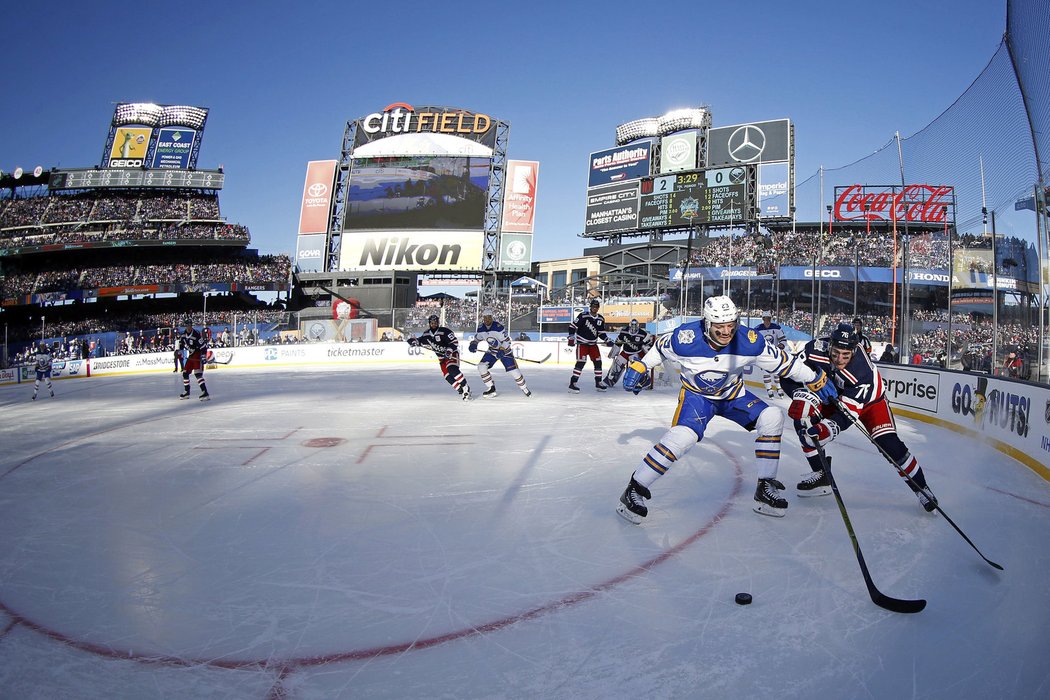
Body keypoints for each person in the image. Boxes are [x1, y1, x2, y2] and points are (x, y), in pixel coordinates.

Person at [615, 295, 838, 524]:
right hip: (697, 398)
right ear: (707, 323)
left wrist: (814, 377)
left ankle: (765, 487)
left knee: (772, 416)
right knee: (681, 438)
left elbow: (785, 363)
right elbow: (660, 348)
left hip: (733, 396)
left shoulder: (750, 341)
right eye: (719, 326)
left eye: (731, 325)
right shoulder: (685, 338)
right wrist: (641, 365)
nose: (726, 331)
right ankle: (634, 489)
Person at [781, 322, 938, 512]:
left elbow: (846, 416)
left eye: (845, 355)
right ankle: (821, 475)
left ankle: (922, 488)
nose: (839, 359)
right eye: (836, 352)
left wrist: (826, 430)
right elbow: (786, 373)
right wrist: (799, 394)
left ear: (854, 351)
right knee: (803, 421)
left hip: (871, 403)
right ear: (829, 344)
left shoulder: (861, 371)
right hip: (834, 396)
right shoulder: (814, 348)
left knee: (889, 445)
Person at [407, 314, 473, 401]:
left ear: (438, 323)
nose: (433, 324)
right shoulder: (427, 334)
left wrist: (449, 351)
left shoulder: (445, 331)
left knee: (452, 369)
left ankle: (465, 387)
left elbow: (454, 342)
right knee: (447, 376)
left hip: (451, 354)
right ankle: (460, 390)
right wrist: (413, 341)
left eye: (435, 322)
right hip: (442, 358)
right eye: (432, 323)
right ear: (429, 323)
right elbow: (420, 341)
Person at [469, 308, 531, 398]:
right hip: (492, 351)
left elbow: (507, 341)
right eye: (485, 318)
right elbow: (477, 339)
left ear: (492, 317)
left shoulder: (498, 328)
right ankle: (491, 388)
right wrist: (473, 344)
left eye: (489, 317)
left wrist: (502, 350)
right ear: (483, 318)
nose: (487, 320)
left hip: (505, 352)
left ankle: (524, 388)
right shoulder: (481, 328)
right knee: (481, 367)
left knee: (514, 372)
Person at [567, 298, 613, 393]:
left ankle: (598, 383)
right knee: (581, 363)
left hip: (593, 345)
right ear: (590, 307)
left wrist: (607, 340)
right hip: (582, 344)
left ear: (598, 308)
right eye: (593, 307)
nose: (594, 309)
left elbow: (601, 333)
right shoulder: (583, 316)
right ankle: (573, 383)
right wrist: (571, 337)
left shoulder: (600, 319)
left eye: (596, 307)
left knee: (598, 362)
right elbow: (572, 327)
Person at [603, 319, 654, 389]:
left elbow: (648, 345)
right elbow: (618, 342)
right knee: (617, 365)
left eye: (635, 326)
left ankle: (644, 382)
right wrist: (613, 353)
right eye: (632, 326)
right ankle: (609, 381)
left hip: (635, 353)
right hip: (625, 352)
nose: (633, 328)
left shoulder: (642, 333)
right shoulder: (624, 331)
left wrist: (644, 346)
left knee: (636, 369)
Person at [753, 311, 787, 398]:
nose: (767, 320)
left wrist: (780, 346)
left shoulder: (776, 327)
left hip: (775, 353)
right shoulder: (757, 329)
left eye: (768, 318)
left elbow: (783, 340)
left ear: (770, 319)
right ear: (763, 319)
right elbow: (754, 342)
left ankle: (779, 388)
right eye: (765, 318)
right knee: (766, 372)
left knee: (777, 372)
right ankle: (769, 390)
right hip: (764, 355)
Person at [179, 320, 211, 401]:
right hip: (191, 356)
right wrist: (180, 351)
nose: (188, 327)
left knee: (198, 374)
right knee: (185, 373)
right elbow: (181, 344)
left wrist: (203, 356)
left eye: (190, 325)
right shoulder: (183, 335)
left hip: (198, 354)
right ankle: (187, 392)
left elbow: (203, 347)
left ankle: (205, 392)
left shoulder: (196, 334)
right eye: (187, 325)